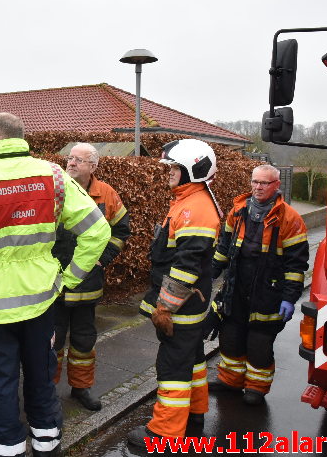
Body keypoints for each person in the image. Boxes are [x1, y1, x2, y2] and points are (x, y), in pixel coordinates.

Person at [0, 113, 110, 457]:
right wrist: (69, 278)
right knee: (42, 377)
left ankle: (8, 449)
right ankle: (48, 444)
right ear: (20, 138)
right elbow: (98, 230)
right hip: (42, 304)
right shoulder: (53, 176)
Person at [128, 139, 221, 446]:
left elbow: (185, 267)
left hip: (181, 308)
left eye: (174, 168)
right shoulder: (189, 200)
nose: (168, 173)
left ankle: (164, 434)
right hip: (191, 304)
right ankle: (194, 416)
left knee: (172, 368)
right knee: (193, 361)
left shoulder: (195, 208)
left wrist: (165, 307)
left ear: (192, 170)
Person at [207, 164, 308, 405]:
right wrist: (211, 272)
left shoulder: (290, 219)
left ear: (276, 185)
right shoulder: (239, 211)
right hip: (236, 287)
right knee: (230, 335)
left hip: (268, 291)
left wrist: (289, 297)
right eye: (255, 182)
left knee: (259, 342)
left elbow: (296, 264)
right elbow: (224, 246)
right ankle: (230, 381)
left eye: (264, 183)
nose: (258, 187)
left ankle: (256, 388)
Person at [52, 143, 131, 411]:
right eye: (70, 158)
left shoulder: (106, 194)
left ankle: (81, 388)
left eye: (79, 160)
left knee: (84, 342)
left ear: (93, 167)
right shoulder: (53, 188)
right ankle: (46, 393)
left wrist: (102, 259)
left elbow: (121, 230)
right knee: (51, 342)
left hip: (87, 286)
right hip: (54, 284)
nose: (71, 163)